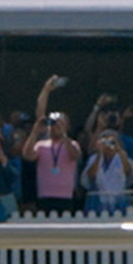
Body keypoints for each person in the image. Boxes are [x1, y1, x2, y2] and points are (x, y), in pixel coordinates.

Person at [23, 78, 83, 215]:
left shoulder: (72, 144)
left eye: (60, 124)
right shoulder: (41, 145)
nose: (55, 127)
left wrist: (64, 135)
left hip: (65, 197)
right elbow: (27, 155)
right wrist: (35, 132)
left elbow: (75, 156)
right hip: (45, 196)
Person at [81, 129, 133, 216]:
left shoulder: (123, 157)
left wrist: (118, 150)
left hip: (118, 200)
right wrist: (99, 153)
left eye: (112, 142)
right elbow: (90, 175)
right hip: (98, 201)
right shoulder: (94, 158)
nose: (109, 145)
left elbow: (128, 172)